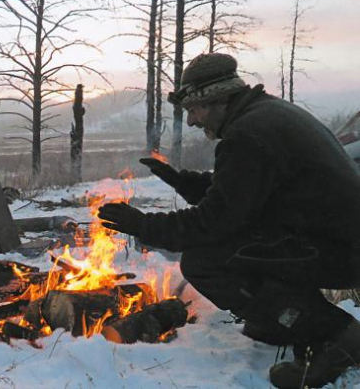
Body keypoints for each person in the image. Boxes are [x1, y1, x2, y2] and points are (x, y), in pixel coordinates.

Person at [98, 53, 360, 388]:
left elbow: (214, 222)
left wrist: (143, 225)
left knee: (206, 261)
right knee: (231, 249)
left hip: (338, 251)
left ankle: (335, 335)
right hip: (330, 240)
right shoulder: (265, 115)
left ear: (218, 99)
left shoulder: (248, 134)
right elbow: (244, 196)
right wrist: (184, 182)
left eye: (195, 110)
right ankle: (284, 321)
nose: (192, 121)